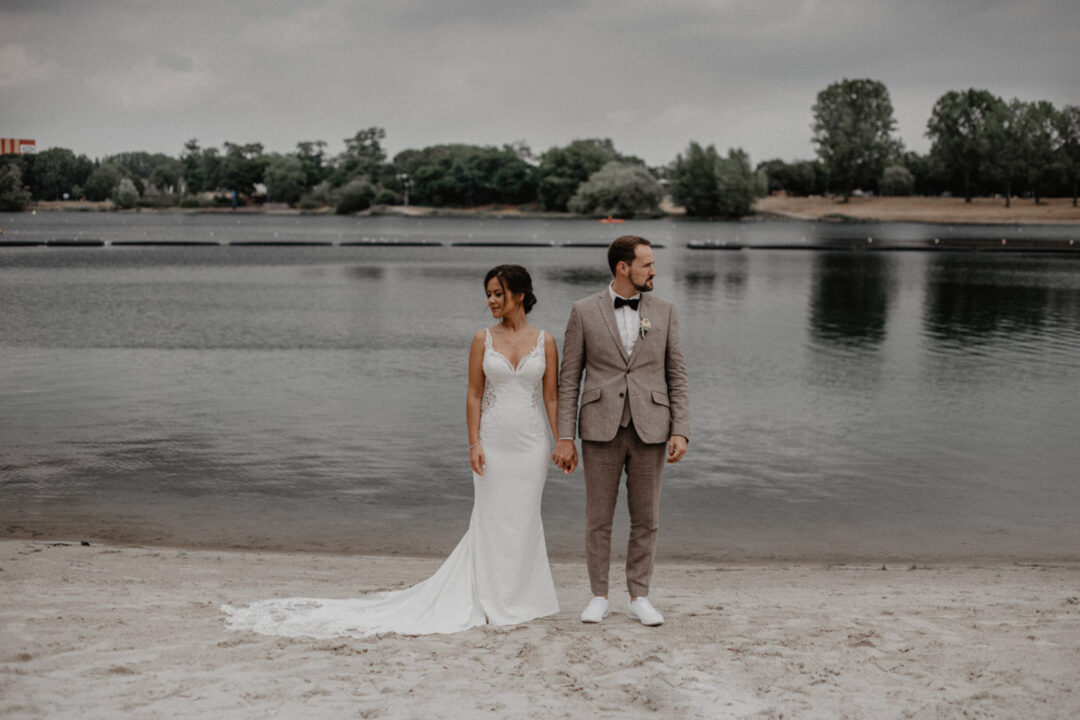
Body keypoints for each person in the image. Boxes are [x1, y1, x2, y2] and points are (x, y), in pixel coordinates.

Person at [223, 264, 560, 637]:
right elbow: (474, 394)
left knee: (525, 518)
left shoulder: (545, 341)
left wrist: (563, 440)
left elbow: (551, 396)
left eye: (498, 294)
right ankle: (491, 598)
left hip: (532, 445)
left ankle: (524, 598)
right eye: (489, 294)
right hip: (493, 444)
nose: (491, 301)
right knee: (491, 519)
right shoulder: (483, 339)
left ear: (519, 294)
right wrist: (473, 443)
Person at [552, 236, 689, 626]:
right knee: (598, 517)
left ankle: (639, 596)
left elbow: (676, 374)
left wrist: (681, 429)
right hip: (599, 428)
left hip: (652, 427)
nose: (654, 271)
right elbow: (569, 379)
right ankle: (599, 595)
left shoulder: (665, 311)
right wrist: (565, 435)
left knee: (646, 518)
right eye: (647, 265)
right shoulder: (583, 311)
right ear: (622, 268)